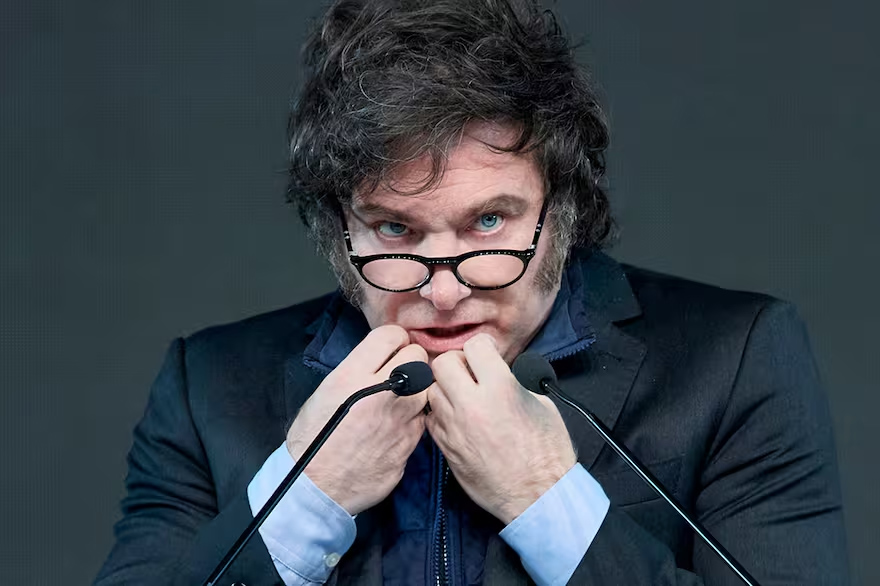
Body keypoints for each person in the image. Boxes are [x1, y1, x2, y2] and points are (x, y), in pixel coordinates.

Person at [95, 1, 849, 584]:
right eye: (395, 229)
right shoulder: (207, 389)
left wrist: (542, 496)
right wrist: (308, 495)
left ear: (564, 209)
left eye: (489, 222)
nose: (444, 290)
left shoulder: (736, 363)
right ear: (339, 229)